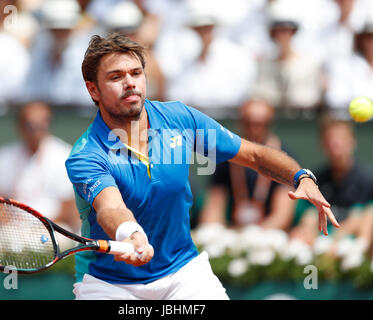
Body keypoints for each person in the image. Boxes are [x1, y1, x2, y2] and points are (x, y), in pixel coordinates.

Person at [65, 33, 339, 300]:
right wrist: (132, 233)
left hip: (182, 271)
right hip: (109, 283)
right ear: (93, 89)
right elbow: (111, 207)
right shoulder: (86, 154)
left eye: (136, 73)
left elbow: (253, 155)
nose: (130, 83)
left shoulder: (180, 119)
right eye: (116, 77)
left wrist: (301, 176)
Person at [198, 99, 295, 230]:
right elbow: (214, 206)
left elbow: (282, 215)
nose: (254, 129)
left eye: (261, 124)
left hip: (270, 235)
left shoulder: (283, 158)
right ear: (240, 123)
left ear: (270, 124)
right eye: (248, 122)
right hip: (233, 231)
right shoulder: (226, 155)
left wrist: (252, 237)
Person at [0, 101, 79, 233]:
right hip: (13, 230)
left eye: (40, 125)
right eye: (30, 125)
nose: (35, 131)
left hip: (53, 228)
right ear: (20, 126)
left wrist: (38, 230)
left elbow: (67, 207)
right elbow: (1, 203)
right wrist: (11, 230)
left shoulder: (64, 155)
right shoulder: (4, 156)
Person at [289, 118, 373, 246]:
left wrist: (336, 239)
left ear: (353, 142)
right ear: (323, 144)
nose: (336, 145)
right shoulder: (316, 180)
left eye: (342, 140)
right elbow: (308, 218)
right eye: (331, 140)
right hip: (321, 245)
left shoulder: (368, 180)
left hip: (354, 248)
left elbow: (363, 220)